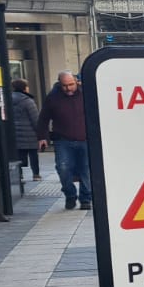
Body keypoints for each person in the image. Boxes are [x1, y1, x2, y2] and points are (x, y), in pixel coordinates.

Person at [35, 71, 92, 211]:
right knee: (63, 168)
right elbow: (43, 118)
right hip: (63, 140)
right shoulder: (53, 98)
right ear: (60, 84)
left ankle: (85, 199)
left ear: (76, 81)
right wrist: (42, 137)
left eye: (71, 84)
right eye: (65, 85)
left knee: (87, 170)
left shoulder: (87, 95)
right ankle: (70, 194)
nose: (68, 88)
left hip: (85, 139)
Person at [9, 78, 41, 181]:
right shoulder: (28, 101)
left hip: (15, 133)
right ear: (24, 88)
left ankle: (19, 175)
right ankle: (36, 174)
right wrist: (40, 133)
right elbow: (35, 118)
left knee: (18, 155)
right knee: (33, 155)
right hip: (30, 133)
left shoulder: (8, 99)